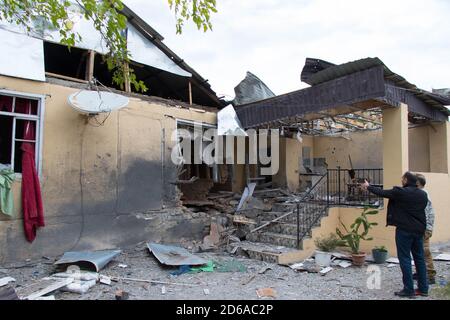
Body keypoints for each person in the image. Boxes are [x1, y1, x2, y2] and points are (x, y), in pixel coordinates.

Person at [361, 172, 428, 298]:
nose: (401, 181)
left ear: (407, 180)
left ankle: (409, 289)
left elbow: (384, 193)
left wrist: (368, 186)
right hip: (419, 230)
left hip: (404, 230)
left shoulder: (401, 192)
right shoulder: (423, 194)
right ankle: (423, 288)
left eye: (403, 179)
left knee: (405, 258)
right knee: (419, 259)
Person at [415, 174, 436, 285]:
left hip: (425, 228)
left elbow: (426, 213)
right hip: (423, 227)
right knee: (419, 251)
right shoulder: (421, 194)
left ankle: (430, 275)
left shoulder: (423, 195)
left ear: (418, 184)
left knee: (425, 251)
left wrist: (426, 228)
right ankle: (421, 272)